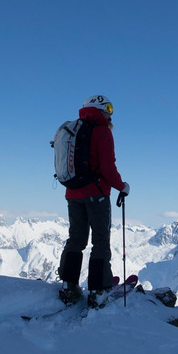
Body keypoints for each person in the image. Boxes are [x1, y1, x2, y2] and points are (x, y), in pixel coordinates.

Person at [57, 95, 130, 305]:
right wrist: (122, 186)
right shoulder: (101, 130)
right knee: (100, 242)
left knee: (76, 239)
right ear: (100, 109)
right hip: (96, 194)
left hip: (72, 194)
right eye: (108, 108)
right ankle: (98, 292)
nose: (110, 112)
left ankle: (68, 287)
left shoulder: (73, 128)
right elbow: (108, 167)